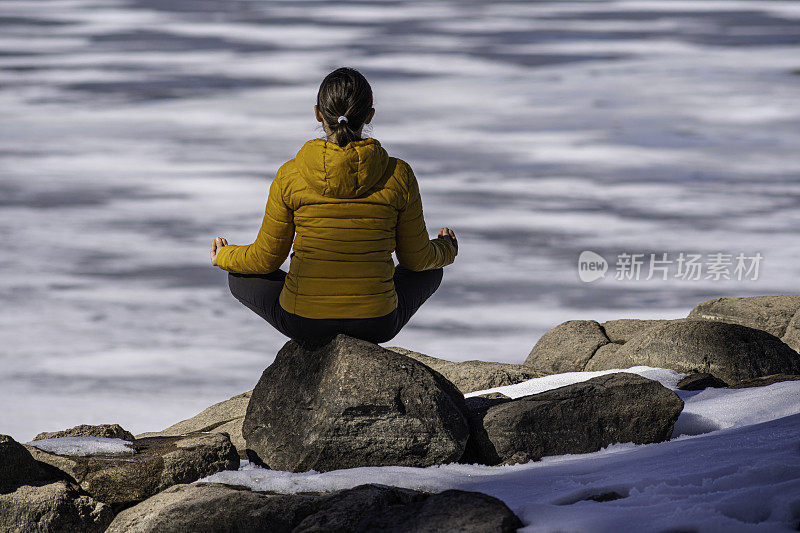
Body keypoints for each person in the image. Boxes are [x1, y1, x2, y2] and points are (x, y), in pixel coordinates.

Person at [210, 66, 458, 349]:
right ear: (369, 116)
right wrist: (447, 248)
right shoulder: (399, 174)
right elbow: (417, 260)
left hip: (304, 321)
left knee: (239, 277)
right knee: (432, 269)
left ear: (318, 113)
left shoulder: (291, 174)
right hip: (377, 322)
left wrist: (225, 256)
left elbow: (265, 261)